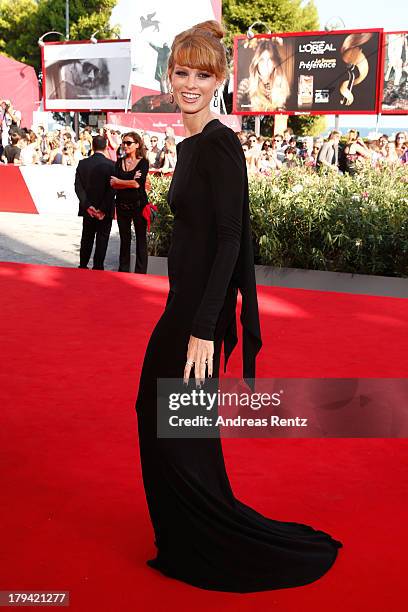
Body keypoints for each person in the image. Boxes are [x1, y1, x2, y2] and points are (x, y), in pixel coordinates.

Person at [134, 19, 342, 593]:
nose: (192, 82)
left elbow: (232, 238)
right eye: (183, 72)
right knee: (171, 422)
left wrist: (206, 327)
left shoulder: (220, 144)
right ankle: (186, 537)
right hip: (186, 305)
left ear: (222, 78)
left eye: (204, 73)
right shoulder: (191, 144)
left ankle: (204, 540)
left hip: (198, 314)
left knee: (166, 419)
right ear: (169, 77)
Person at [110, 131, 149, 274]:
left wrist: (120, 181)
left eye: (128, 143)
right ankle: (123, 271)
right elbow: (112, 184)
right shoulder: (119, 162)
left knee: (141, 240)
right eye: (123, 143)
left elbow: (137, 184)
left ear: (137, 144)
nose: (125, 146)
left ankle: (141, 273)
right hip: (121, 206)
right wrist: (130, 180)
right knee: (124, 240)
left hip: (139, 206)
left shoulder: (143, 162)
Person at [74, 135, 115, 270]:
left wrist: (88, 206)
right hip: (105, 210)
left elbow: (78, 187)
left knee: (87, 237)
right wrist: (102, 209)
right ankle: (98, 266)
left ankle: (83, 265)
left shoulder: (83, 164)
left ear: (92, 146)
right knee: (102, 240)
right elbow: (112, 189)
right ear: (106, 146)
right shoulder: (112, 165)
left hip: (88, 210)